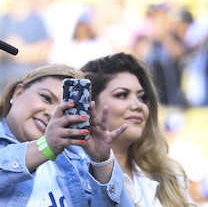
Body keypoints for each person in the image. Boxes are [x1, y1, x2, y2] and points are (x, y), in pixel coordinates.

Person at [0, 63, 130, 206]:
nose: (53, 113)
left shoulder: (77, 156)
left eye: (66, 108)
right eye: (46, 98)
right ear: (18, 92)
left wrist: (102, 163)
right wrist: (46, 147)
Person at [81, 52, 195, 206]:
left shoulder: (170, 175)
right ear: (90, 105)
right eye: (122, 95)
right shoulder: (68, 175)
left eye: (142, 97)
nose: (138, 105)